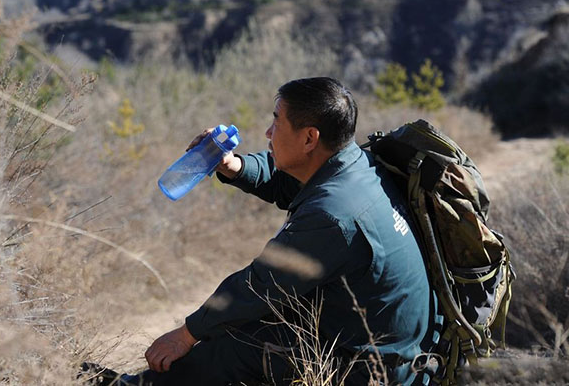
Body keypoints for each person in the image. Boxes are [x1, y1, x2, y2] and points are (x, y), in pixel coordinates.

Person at [84, 77, 438, 386]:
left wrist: (187, 333)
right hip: (393, 353)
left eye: (277, 122)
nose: (269, 133)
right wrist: (235, 166)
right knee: (247, 324)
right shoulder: (356, 165)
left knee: (239, 342)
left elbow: (259, 286)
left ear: (310, 138)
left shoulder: (334, 216)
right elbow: (290, 182)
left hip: (370, 373)